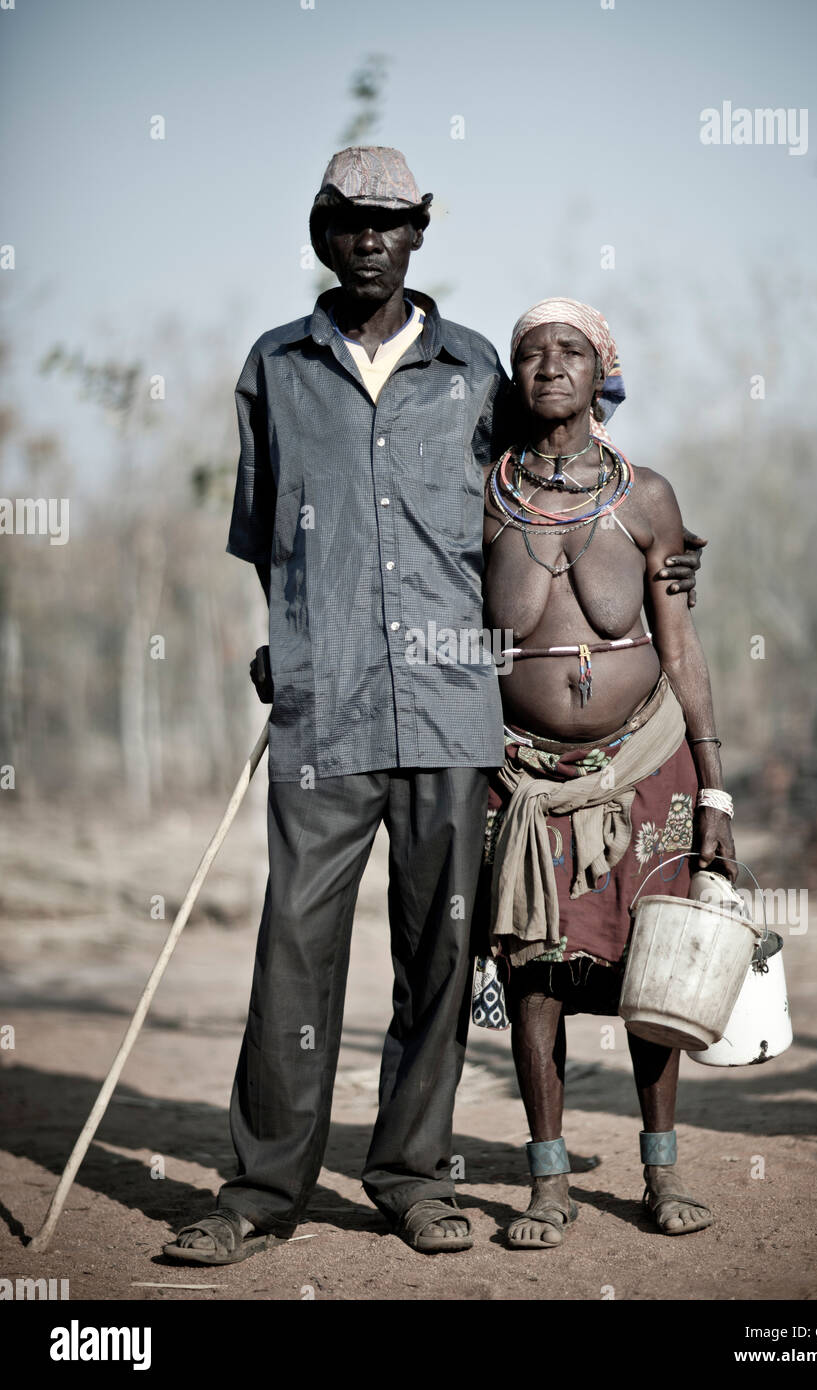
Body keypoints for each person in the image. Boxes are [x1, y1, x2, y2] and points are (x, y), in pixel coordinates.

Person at [164, 152, 702, 1264]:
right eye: (349, 222)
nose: (370, 240)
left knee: (441, 955)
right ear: (321, 233)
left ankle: (411, 1175)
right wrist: (291, 641)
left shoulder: (476, 374)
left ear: (418, 235)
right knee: (291, 949)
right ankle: (261, 1190)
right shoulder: (275, 369)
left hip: (458, 714)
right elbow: (267, 538)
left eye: (391, 223)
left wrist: (659, 556)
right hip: (327, 712)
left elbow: (557, 474)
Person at [475, 298, 734, 1248]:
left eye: (570, 351)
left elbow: (682, 642)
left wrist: (715, 789)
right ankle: (548, 1185)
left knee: (652, 968)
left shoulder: (648, 497)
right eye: (531, 353)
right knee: (536, 971)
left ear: (602, 373)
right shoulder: (485, 495)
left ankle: (660, 1174)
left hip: (647, 761)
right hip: (524, 775)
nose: (549, 365)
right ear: (515, 378)